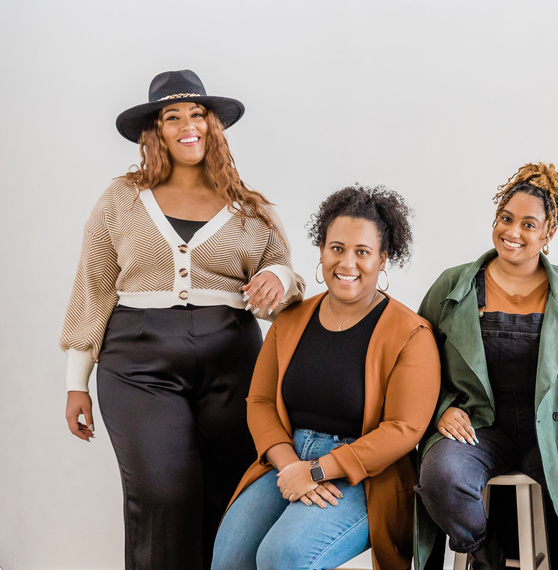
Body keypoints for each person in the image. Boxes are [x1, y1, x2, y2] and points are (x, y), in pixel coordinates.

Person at [60, 69, 305, 569]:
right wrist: (75, 382)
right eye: (173, 117)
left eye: (198, 114)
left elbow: (289, 276)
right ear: (156, 130)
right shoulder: (120, 199)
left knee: (227, 494)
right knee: (163, 495)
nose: (187, 125)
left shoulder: (249, 207)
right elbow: (92, 287)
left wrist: (278, 276)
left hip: (233, 363)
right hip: (137, 363)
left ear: (214, 125)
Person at [414, 163, 558, 570]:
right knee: (441, 477)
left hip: (553, 437)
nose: (513, 232)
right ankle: (485, 554)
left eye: (528, 224)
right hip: (479, 428)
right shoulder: (452, 287)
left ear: (548, 233)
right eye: (506, 219)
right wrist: (441, 409)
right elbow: (416, 365)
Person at [212, 185, 441, 570]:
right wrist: (291, 467)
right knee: (229, 557)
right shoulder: (291, 319)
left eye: (362, 252)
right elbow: (261, 402)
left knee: (282, 556)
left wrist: (318, 470)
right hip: (286, 458)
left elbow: (403, 429)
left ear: (384, 258)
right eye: (337, 248)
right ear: (321, 250)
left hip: (363, 475)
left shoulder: (410, 334)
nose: (347, 262)